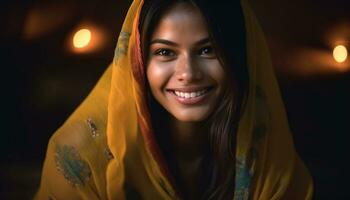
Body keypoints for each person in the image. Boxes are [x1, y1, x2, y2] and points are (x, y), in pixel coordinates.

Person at [34, 0, 313, 199]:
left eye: (207, 50)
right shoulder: (83, 159)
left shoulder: (264, 153)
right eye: (165, 53)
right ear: (138, 62)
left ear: (238, 58)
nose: (188, 74)